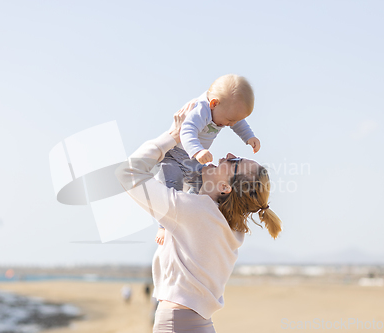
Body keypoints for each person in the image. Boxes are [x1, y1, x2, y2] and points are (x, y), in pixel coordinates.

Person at [115, 104, 282, 332]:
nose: (229, 155)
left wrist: (173, 136)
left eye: (234, 162)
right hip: (199, 323)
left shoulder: (192, 210)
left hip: (176, 322)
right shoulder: (230, 226)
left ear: (225, 187)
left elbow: (127, 173)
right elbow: (193, 184)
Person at [155, 74, 261, 245]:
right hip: (175, 157)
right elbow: (187, 131)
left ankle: (186, 211)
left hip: (193, 160)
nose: (229, 124)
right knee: (171, 187)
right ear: (214, 104)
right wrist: (197, 151)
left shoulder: (224, 109)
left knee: (199, 186)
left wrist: (249, 137)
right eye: (228, 120)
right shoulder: (201, 110)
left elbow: (238, 123)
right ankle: (163, 225)